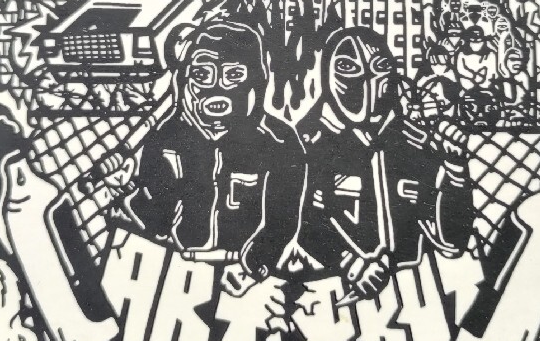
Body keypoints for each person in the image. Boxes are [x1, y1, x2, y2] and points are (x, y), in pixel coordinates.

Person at [295, 27, 473, 301]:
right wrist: (349, 262)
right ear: (327, 75)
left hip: (413, 294)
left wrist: (456, 170)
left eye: (379, 66)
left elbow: (452, 241)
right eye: (347, 67)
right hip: (327, 296)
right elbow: (297, 221)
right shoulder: (306, 144)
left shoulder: (416, 143)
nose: (366, 78)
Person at [125, 21, 305, 286]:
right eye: (202, 75)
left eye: (233, 75)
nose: (217, 89)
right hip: (177, 270)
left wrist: (252, 266)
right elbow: (155, 221)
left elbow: (281, 221)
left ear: (257, 79)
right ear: (185, 81)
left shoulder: (279, 141)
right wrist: (128, 192)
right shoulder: (165, 139)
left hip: (245, 275)